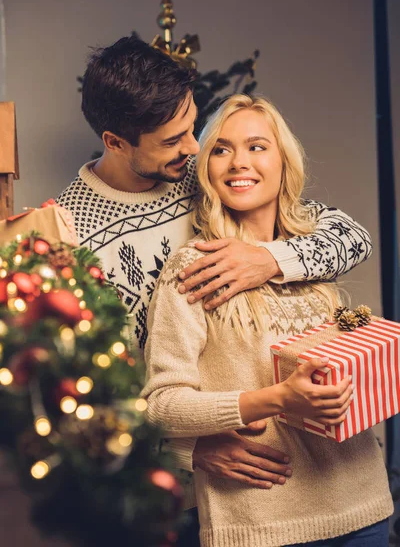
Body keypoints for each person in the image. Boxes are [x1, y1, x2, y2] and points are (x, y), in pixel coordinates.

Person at [56, 35, 374, 545]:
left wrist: (269, 258)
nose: (195, 147)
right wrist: (186, 449)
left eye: (193, 127)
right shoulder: (68, 239)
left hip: (299, 484)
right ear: (115, 142)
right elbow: (74, 396)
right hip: (164, 492)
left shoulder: (206, 176)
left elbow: (347, 237)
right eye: (173, 139)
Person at [142, 94, 393, 547]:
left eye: (257, 146)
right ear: (206, 167)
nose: (239, 162)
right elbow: (161, 405)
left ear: (284, 162)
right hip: (261, 524)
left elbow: (359, 241)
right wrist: (276, 399)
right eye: (221, 148)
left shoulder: (314, 249)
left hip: (364, 506)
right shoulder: (194, 267)